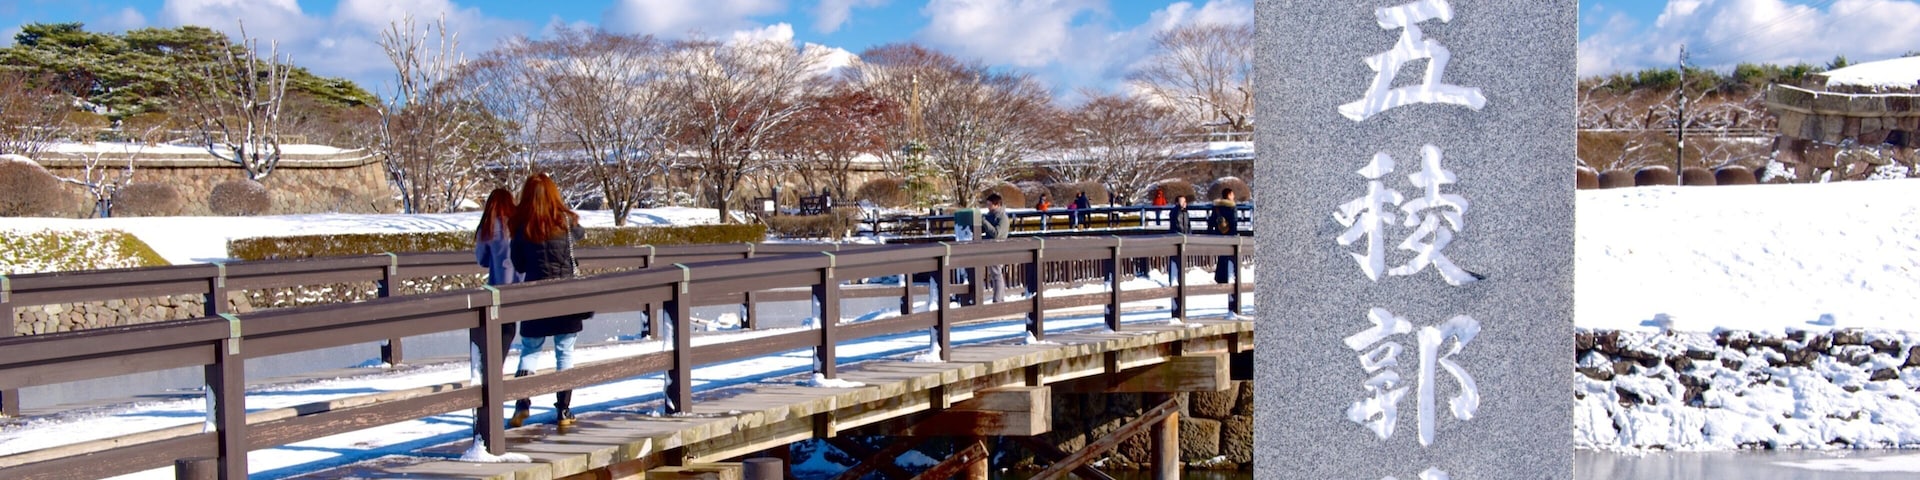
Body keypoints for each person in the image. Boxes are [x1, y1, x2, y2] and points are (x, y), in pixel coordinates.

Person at [508, 173, 591, 428]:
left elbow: (519, 264)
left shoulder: (523, 228)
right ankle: (564, 410)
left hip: (536, 298)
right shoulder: (566, 222)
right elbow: (580, 235)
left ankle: (522, 403)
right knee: (564, 353)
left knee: (530, 350)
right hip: (566, 296)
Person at [470, 188, 521, 449]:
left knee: (496, 347)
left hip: (497, 294)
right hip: (524, 290)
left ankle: (489, 403)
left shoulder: (487, 227)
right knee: (530, 344)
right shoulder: (518, 222)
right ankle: (521, 400)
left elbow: (481, 260)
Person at [982, 193, 1010, 303]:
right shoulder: (990, 216)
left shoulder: (1002, 217)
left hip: (998, 247)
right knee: (994, 274)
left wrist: (984, 222)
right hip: (989, 247)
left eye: (990, 205)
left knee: (996, 273)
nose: (988, 207)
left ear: (997, 204)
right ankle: (998, 298)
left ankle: (998, 299)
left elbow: (996, 234)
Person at [1210, 189, 1240, 284]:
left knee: (1222, 256)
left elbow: (1211, 221)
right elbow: (1233, 222)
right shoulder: (1232, 207)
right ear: (1230, 195)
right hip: (1230, 235)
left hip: (1220, 235)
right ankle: (1230, 277)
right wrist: (1234, 234)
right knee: (1231, 257)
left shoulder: (1217, 207)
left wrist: (1212, 233)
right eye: (1233, 194)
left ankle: (1220, 277)